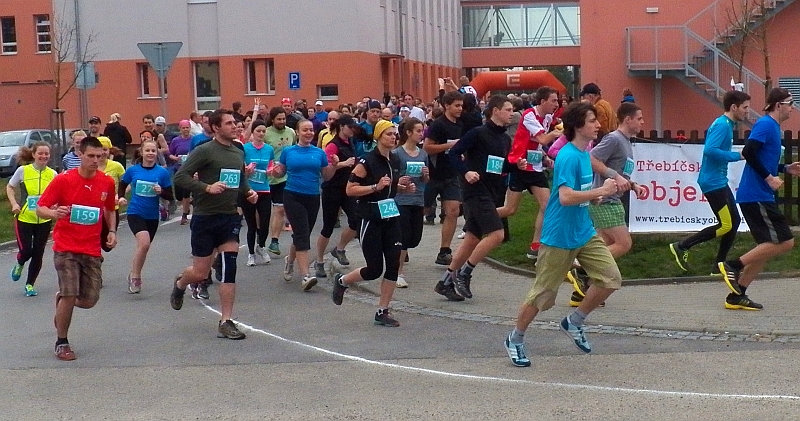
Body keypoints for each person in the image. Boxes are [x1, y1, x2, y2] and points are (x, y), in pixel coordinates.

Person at [504, 102, 619, 367]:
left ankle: (574, 322)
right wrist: (599, 192)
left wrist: (595, 199)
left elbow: (580, 194)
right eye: (592, 121)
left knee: (611, 278)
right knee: (542, 294)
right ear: (579, 126)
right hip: (558, 235)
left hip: (583, 231)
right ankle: (515, 339)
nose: (598, 125)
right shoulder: (568, 156)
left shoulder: (584, 153)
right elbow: (566, 197)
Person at [170, 109, 258, 340]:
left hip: (229, 216)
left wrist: (248, 192)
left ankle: (226, 321)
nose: (234, 126)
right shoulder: (204, 150)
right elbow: (180, 177)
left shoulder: (238, 151)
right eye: (229, 123)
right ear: (216, 128)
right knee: (200, 272)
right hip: (205, 217)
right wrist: (206, 188)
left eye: (235, 123)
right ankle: (181, 283)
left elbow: (239, 177)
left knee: (229, 268)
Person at [435, 96, 524, 301]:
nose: (512, 113)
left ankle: (445, 282)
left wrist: (514, 165)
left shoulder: (504, 138)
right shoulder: (477, 133)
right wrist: (466, 172)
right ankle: (465, 273)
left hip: (491, 191)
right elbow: (454, 154)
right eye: (508, 109)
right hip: (475, 191)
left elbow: (498, 166)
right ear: (495, 111)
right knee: (497, 234)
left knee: (472, 238)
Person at [718, 88, 800, 310]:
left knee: (766, 246)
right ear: (778, 105)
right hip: (755, 195)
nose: (792, 107)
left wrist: (784, 168)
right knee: (785, 241)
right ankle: (732, 265)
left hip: (757, 195)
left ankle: (737, 295)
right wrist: (769, 178)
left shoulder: (773, 128)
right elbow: (749, 152)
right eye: (790, 103)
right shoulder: (765, 125)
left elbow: (763, 157)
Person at [36, 136, 117, 361]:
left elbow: (109, 209)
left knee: (90, 300)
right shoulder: (64, 180)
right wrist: (54, 213)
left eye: (99, 156)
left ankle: (62, 300)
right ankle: (62, 341)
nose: (95, 160)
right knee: (71, 293)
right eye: (90, 156)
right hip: (66, 247)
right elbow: (40, 208)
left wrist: (112, 231)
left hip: (91, 248)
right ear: (79, 154)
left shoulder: (106, 182)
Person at [331, 120, 414, 327]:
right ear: (378, 137)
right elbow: (350, 189)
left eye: (395, 134)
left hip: (391, 215)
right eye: (389, 134)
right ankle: (342, 281)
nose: (393, 138)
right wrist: (375, 187)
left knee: (394, 264)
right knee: (374, 269)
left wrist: (402, 188)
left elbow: (390, 187)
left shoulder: (395, 160)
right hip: (370, 217)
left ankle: (382, 311)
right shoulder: (366, 162)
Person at [570, 102, 646, 307]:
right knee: (624, 244)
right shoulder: (614, 139)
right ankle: (580, 268)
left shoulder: (627, 142)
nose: (642, 122)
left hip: (612, 199)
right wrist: (614, 177)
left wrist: (632, 185)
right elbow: (592, 159)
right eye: (639, 118)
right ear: (627, 119)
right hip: (604, 200)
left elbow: (620, 173)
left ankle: (581, 292)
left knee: (601, 245)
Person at [669, 91, 750, 274]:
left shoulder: (728, 124)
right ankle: (682, 246)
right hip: (713, 182)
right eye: (745, 107)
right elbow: (710, 151)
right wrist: (738, 155)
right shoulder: (722, 125)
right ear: (734, 107)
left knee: (734, 221)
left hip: (718, 180)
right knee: (726, 224)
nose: (747, 111)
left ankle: (718, 265)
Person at [497, 86, 562, 261]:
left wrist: (544, 156)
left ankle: (536, 245)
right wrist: (557, 133)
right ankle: (478, 219)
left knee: (547, 206)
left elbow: (538, 143)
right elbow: (542, 138)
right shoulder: (529, 115)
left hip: (535, 167)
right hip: (520, 165)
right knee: (510, 210)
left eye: (557, 100)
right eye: (553, 100)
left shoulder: (548, 117)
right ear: (542, 101)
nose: (557, 104)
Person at [272, 119, 337, 290]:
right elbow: (280, 173)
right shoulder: (288, 151)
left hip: (313, 196)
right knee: (302, 233)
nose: (308, 133)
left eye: (310, 130)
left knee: (303, 233)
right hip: (292, 195)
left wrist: (335, 166)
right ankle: (306, 276)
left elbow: (327, 176)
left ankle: (290, 261)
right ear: (297, 132)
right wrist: (275, 172)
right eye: (305, 130)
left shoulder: (319, 153)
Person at [118, 139, 173, 293]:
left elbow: (170, 195)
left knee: (144, 247)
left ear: (157, 153)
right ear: (141, 152)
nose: (150, 154)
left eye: (153, 151)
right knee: (144, 244)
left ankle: (134, 272)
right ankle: (135, 277)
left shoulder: (162, 172)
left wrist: (161, 191)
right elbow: (122, 184)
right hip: (135, 212)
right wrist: (121, 197)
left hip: (152, 215)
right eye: (147, 151)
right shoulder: (133, 170)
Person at [7, 141, 57, 296]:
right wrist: (14, 203)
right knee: (27, 250)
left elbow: (57, 194)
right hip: (24, 218)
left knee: (38, 253)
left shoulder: (53, 174)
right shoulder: (23, 170)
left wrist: (54, 206)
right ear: (34, 154)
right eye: (40, 153)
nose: (43, 156)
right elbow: (10, 187)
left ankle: (30, 284)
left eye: (46, 154)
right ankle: (20, 262)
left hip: (44, 219)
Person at [315, 115, 360, 278]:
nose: (353, 130)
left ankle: (339, 248)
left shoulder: (350, 143)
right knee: (328, 227)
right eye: (350, 127)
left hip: (347, 189)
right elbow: (325, 170)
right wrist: (342, 164)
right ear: (342, 127)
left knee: (356, 220)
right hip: (332, 189)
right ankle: (319, 261)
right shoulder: (332, 145)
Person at [423, 90, 464, 265]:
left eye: (461, 105)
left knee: (453, 211)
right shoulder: (438, 125)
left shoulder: (460, 124)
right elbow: (427, 147)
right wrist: (451, 145)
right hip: (432, 175)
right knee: (421, 212)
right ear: (447, 106)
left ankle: (444, 250)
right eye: (457, 105)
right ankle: (404, 245)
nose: (460, 109)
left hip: (451, 174)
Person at [393, 117, 429, 288]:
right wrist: (401, 180)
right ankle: (398, 273)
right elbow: (392, 175)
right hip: (401, 200)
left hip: (418, 199)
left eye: (422, 131)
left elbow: (426, 180)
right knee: (404, 237)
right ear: (408, 133)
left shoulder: (423, 154)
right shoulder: (397, 153)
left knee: (415, 239)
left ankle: (397, 254)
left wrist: (425, 175)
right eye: (418, 131)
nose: (421, 134)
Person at [264, 106, 298, 255]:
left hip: (285, 176)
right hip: (267, 177)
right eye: (279, 119)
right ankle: (259, 240)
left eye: (283, 118)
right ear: (272, 120)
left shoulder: (290, 132)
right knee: (263, 214)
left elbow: (295, 148)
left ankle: (274, 242)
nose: (282, 121)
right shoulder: (265, 133)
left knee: (279, 209)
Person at [242, 119, 275, 267]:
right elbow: (241, 170)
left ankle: (260, 246)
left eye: (263, 131)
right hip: (249, 190)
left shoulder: (269, 149)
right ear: (253, 133)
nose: (261, 134)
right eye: (258, 131)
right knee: (251, 225)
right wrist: (247, 171)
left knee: (265, 222)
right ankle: (251, 254)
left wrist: (271, 171)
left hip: (265, 189)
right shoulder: (245, 149)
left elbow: (271, 165)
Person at [97, 136, 125, 252]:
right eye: (100, 149)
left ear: (109, 151)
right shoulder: (90, 167)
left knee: (107, 245)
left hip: (112, 206)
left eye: (105, 149)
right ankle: (93, 256)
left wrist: (120, 195)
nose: (102, 153)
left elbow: (126, 183)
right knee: (93, 236)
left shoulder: (116, 166)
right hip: (95, 208)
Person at [167, 120, 194, 224]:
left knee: (186, 192)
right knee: (179, 195)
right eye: (183, 128)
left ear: (190, 128)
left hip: (190, 170)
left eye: (187, 127)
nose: (185, 130)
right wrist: (175, 158)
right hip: (178, 169)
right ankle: (189, 202)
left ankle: (184, 215)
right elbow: (170, 154)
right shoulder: (176, 141)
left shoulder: (193, 139)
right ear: (180, 129)